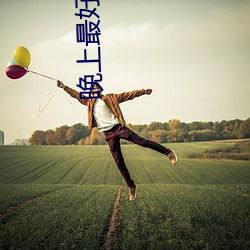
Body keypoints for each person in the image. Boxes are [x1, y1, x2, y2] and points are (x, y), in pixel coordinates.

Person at [57, 81, 177, 201]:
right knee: (118, 161)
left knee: (142, 142)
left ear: (99, 90)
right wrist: (64, 87)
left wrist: (143, 92)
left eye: (95, 88)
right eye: (91, 89)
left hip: (119, 128)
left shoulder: (110, 97)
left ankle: (168, 152)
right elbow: (75, 94)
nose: (93, 90)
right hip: (108, 134)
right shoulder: (88, 102)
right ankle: (131, 186)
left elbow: (128, 94)